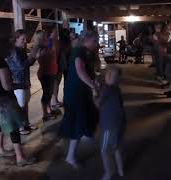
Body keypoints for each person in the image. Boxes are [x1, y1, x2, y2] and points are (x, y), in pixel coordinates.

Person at [0, 36, 36, 167]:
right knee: (14, 126)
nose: (11, 49)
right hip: (4, 98)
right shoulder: (0, 62)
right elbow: (7, 86)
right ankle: (20, 158)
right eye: (9, 46)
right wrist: (21, 85)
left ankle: (0, 149)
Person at [59, 31, 99, 168]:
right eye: (95, 41)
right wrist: (93, 85)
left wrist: (93, 81)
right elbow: (80, 71)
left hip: (80, 92)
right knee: (78, 122)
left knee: (92, 114)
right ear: (87, 40)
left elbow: (86, 71)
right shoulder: (78, 51)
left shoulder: (82, 50)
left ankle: (86, 134)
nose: (96, 43)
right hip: (75, 93)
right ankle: (70, 156)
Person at [93, 65, 125, 180]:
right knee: (117, 147)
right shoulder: (116, 88)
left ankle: (109, 172)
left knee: (104, 150)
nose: (104, 76)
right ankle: (120, 170)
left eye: (105, 74)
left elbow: (98, 104)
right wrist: (99, 87)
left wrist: (95, 94)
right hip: (120, 123)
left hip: (109, 125)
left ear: (109, 76)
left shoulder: (107, 89)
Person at [5, 29, 38, 135]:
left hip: (24, 81)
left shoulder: (21, 49)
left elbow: (28, 64)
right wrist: (33, 55)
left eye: (25, 39)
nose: (25, 41)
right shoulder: (14, 51)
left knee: (25, 104)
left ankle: (26, 123)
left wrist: (34, 57)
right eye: (23, 39)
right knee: (20, 106)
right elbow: (21, 66)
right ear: (16, 39)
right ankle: (20, 127)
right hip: (17, 83)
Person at [33, 30, 57, 121]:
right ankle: (45, 114)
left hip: (50, 73)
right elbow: (44, 62)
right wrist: (49, 53)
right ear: (40, 38)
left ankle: (49, 109)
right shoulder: (41, 48)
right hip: (45, 74)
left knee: (49, 93)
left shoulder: (46, 46)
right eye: (44, 37)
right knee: (46, 94)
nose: (46, 38)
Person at [51, 28, 71, 110]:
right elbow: (57, 54)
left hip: (63, 65)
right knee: (56, 83)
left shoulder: (64, 42)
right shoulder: (60, 43)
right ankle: (54, 101)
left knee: (59, 83)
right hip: (59, 65)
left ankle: (57, 100)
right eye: (67, 34)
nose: (68, 35)